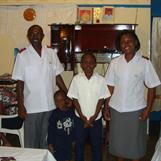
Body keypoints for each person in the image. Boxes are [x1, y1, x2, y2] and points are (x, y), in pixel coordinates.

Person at [104, 30, 161, 161]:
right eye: (122, 42)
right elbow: (110, 86)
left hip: (136, 111)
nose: (126, 44)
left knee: (135, 146)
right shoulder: (115, 63)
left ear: (135, 43)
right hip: (116, 109)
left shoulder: (144, 63)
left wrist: (148, 109)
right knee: (119, 145)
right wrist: (106, 107)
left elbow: (152, 87)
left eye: (129, 40)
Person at [12, 24, 67, 148]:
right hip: (31, 108)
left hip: (50, 106)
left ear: (43, 36)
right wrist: (20, 106)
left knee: (48, 141)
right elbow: (19, 84)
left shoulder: (51, 53)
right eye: (32, 34)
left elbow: (57, 76)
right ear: (28, 37)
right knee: (31, 143)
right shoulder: (22, 56)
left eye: (38, 33)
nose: (35, 36)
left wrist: (67, 93)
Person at [67, 53, 111, 161]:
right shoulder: (76, 79)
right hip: (80, 120)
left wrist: (94, 116)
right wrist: (82, 117)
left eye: (91, 62)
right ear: (81, 64)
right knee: (79, 146)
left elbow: (101, 99)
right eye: (85, 62)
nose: (88, 65)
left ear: (95, 64)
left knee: (97, 147)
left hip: (95, 120)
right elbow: (75, 99)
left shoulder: (101, 80)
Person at [48, 90, 75, 161]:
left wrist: (74, 140)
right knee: (58, 158)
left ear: (66, 100)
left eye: (61, 100)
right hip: (57, 142)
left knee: (68, 157)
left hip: (69, 141)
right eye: (56, 101)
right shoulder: (55, 114)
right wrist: (50, 142)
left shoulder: (72, 112)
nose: (58, 103)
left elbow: (75, 127)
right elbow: (51, 129)